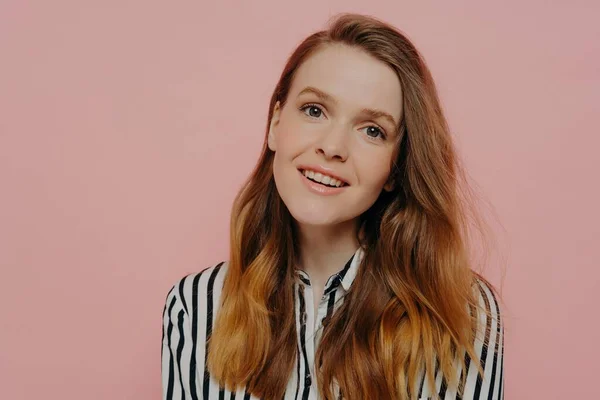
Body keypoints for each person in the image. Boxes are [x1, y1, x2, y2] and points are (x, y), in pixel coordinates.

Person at [161, 13, 504, 400]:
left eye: (372, 130)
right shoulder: (194, 307)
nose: (333, 147)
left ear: (396, 166)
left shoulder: (462, 314)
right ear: (275, 121)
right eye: (314, 110)